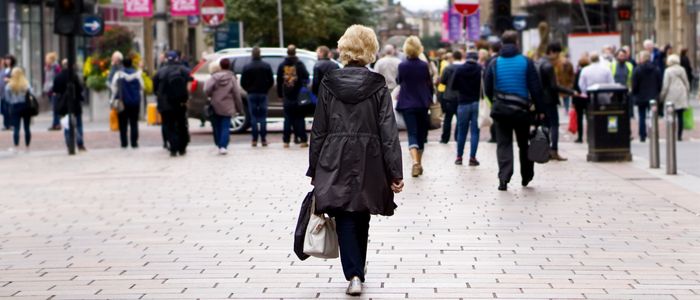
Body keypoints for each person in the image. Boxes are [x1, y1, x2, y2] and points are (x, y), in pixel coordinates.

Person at [307, 24, 403, 297]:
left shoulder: (329, 82)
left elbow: (319, 129)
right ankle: (356, 272)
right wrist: (394, 171)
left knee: (344, 214)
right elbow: (388, 131)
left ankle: (354, 273)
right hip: (369, 157)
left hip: (333, 155)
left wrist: (314, 167)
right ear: (370, 49)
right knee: (360, 213)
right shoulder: (377, 85)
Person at [484, 30, 543, 191]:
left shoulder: (494, 63)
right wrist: (540, 109)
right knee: (524, 144)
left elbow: (487, 87)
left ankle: (504, 178)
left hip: (501, 111)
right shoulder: (526, 62)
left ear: (502, 44)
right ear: (517, 43)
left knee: (503, 144)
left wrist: (495, 100)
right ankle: (526, 176)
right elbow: (535, 87)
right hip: (521, 111)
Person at [397, 36, 433, 178]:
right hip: (422, 103)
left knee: (412, 133)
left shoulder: (402, 65)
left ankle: (415, 162)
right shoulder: (424, 65)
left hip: (406, 103)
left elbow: (399, 80)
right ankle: (419, 162)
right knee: (422, 135)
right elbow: (429, 83)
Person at [537, 42, 575, 161]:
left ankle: (545, 150)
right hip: (550, 99)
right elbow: (554, 86)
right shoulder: (548, 66)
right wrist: (571, 92)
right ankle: (554, 150)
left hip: (540, 99)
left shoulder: (538, 63)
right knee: (554, 125)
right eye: (558, 54)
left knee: (545, 125)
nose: (558, 57)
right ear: (552, 52)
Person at [153, 51, 192, 157]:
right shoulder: (184, 70)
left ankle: (173, 147)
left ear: (166, 59)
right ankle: (182, 147)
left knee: (168, 125)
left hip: (165, 104)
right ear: (177, 59)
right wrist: (186, 98)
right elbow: (190, 83)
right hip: (180, 103)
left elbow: (155, 88)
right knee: (181, 124)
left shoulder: (160, 71)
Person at [204, 59, 244, 154]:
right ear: (229, 66)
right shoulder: (232, 78)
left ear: (220, 66)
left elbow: (207, 89)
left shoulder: (214, 77)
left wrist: (211, 95)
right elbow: (236, 93)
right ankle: (223, 146)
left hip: (215, 104)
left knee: (217, 125)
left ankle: (219, 144)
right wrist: (239, 108)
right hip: (228, 105)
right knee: (225, 126)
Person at [452, 51, 482, 166]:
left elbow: (454, 86)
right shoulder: (480, 69)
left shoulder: (460, 69)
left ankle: (459, 157)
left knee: (461, 131)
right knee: (475, 131)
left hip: (463, 103)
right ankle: (472, 158)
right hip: (476, 103)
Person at [277, 45, 310, 148]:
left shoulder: (282, 65)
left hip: (287, 95)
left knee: (287, 118)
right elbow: (306, 77)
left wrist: (280, 94)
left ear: (287, 53)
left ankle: (286, 141)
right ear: (295, 52)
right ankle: (303, 140)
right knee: (300, 118)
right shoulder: (300, 65)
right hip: (298, 95)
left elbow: (279, 81)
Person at [241, 46, 274, 147]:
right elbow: (271, 80)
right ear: (260, 54)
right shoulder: (266, 66)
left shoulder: (247, 66)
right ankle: (263, 139)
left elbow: (243, 82)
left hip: (252, 93)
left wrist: (248, 89)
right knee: (263, 117)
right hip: (263, 93)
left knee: (253, 116)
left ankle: (254, 140)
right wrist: (266, 88)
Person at [53, 59, 87, 152]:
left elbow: (55, 90)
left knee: (67, 125)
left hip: (64, 105)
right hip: (75, 104)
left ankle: (69, 144)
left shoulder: (58, 77)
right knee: (78, 124)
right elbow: (80, 89)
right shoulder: (75, 76)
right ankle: (80, 144)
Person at [111, 57, 144, 149]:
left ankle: (124, 143)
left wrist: (113, 99)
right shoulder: (137, 75)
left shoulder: (118, 75)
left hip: (122, 102)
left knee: (122, 123)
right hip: (135, 102)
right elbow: (142, 86)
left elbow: (114, 88)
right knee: (134, 123)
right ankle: (134, 142)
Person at [631, 50, 662, 142]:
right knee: (652, 116)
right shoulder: (656, 69)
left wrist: (635, 93)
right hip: (653, 96)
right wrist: (657, 92)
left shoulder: (637, 69)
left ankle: (642, 135)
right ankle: (653, 133)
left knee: (642, 116)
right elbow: (660, 83)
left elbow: (634, 85)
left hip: (641, 97)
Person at [660, 54, 690, 141]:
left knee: (671, 116)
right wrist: (687, 93)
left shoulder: (667, 71)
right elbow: (686, 82)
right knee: (680, 116)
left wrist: (662, 97)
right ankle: (679, 135)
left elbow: (665, 86)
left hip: (671, 94)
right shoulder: (682, 69)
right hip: (681, 93)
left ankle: (671, 134)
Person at [4, 68, 33, 152]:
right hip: (26, 106)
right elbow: (31, 93)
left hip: (15, 106)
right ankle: (27, 145)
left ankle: (16, 145)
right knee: (27, 127)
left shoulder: (10, 85)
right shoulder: (26, 84)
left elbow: (7, 97)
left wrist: (12, 101)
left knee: (16, 127)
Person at [438, 50, 463, 144]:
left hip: (449, 96)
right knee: (460, 119)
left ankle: (445, 138)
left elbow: (443, 81)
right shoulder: (464, 68)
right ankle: (458, 137)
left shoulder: (448, 68)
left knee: (448, 118)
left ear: (453, 57)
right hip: (461, 96)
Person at [573, 56, 590, 143]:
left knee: (579, 118)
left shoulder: (578, 72)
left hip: (579, 98)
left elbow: (575, 86)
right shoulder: (589, 72)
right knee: (589, 118)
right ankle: (589, 136)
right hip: (588, 98)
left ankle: (580, 137)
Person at [44, 52, 62, 131]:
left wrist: (56, 89)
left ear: (51, 59)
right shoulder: (47, 67)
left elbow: (57, 78)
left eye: (47, 59)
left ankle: (57, 124)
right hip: (49, 89)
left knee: (55, 108)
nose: (46, 60)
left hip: (54, 90)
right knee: (54, 108)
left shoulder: (56, 67)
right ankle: (55, 123)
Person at [1, 55, 17, 131]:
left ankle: (12, 124)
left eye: (9, 59)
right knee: (4, 109)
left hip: (11, 92)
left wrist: (9, 80)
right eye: (6, 59)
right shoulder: (4, 69)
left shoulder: (14, 69)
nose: (7, 61)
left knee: (11, 108)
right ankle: (6, 124)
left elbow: (17, 79)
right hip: (3, 93)